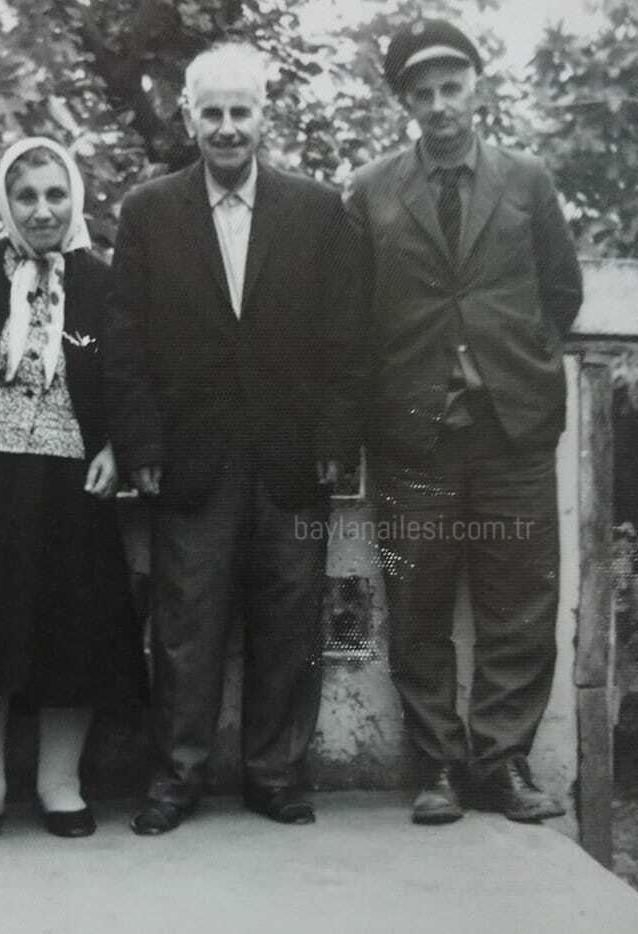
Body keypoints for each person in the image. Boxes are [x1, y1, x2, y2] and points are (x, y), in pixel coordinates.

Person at [102, 43, 366, 835]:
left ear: (262, 116)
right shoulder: (148, 212)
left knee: (290, 618)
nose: (226, 127)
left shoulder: (318, 210)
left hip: (293, 455)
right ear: (189, 118)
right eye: (211, 112)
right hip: (190, 458)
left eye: (239, 112)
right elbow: (125, 341)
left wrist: (336, 436)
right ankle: (177, 777)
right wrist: (143, 447)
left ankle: (275, 774)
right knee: (186, 624)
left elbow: (346, 336)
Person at [344, 19, 583, 825]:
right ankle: (440, 766)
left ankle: (503, 762)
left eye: (452, 87)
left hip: (513, 429)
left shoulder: (527, 181)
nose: (440, 104)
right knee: (417, 602)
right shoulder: (371, 191)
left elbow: (562, 293)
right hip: (413, 433)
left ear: (475, 89)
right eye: (424, 93)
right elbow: (352, 313)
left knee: (520, 600)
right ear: (405, 102)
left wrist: (515, 364)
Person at [0, 137, 144, 843]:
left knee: (73, 627)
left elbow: (131, 373)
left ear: (75, 198)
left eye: (55, 195)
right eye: (26, 197)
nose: (42, 210)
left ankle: (59, 784)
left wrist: (119, 448)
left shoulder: (102, 280)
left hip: (75, 479)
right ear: (5, 203)